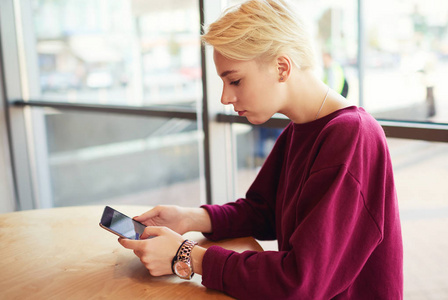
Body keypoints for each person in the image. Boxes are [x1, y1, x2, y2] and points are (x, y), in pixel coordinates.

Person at [118, 1, 403, 299]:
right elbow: (264, 211)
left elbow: (300, 281)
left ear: (282, 67)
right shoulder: (300, 128)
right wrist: (189, 218)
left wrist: (187, 255)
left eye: (235, 80)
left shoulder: (352, 135)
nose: (225, 97)